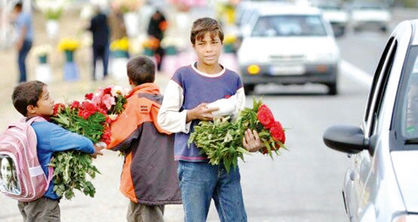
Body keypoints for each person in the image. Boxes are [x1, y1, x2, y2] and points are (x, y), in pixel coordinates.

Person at [157, 17, 264, 222]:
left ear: (222, 44)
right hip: (194, 166)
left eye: (214, 42)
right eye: (202, 43)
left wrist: (251, 143)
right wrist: (191, 114)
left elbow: (240, 122)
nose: (209, 49)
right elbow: (163, 119)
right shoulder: (183, 76)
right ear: (194, 46)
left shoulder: (233, 79)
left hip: (227, 164)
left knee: (237, 219)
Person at [12, 80, 103, 222]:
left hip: (26, 196)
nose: (52, 100)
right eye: (47, 98)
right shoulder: (45, 130)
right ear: (32, 108)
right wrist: (92, 148)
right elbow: (79, 141)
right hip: (43, 200)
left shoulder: (22, 125)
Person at [107, 56, 181, 222]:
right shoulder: (164, 103)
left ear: (130, 80)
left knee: (143, 217)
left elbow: (117, 139)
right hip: (162, 176)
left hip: (141, 177)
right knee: (146, 214)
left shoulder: (134, 104)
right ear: (153, 77)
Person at [87, 7, 110, 80]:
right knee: (105, 59)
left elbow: (91, 28)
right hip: (104, 41)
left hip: (96, 42)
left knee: (95, 59)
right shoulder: (105, 18)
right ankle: (105, 74)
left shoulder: (93, 19)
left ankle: (94, 75)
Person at [13, 2, 33, 83]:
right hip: (29, 40)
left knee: (20, 60)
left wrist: (20, 42)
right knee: (22, 60)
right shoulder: (26, 15)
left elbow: (23, 29)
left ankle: (22, 79)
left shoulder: (21, 17)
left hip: (25, 40)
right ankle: (23, 78)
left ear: (17, 8)